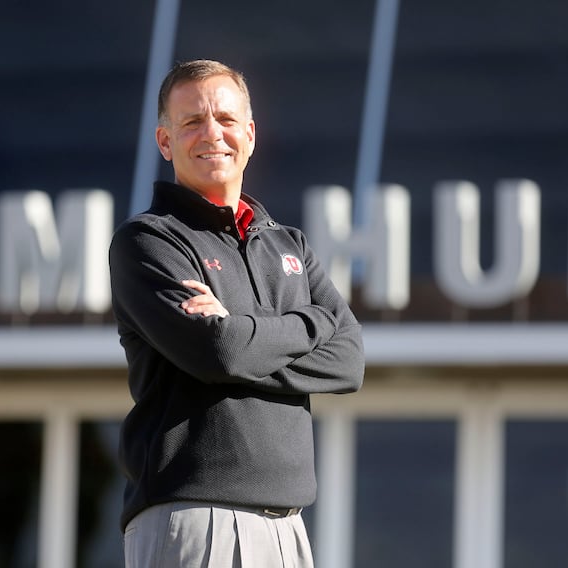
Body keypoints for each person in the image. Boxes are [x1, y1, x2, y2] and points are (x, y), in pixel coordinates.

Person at [109, 59, 364, 567]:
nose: (212, 134)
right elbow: (216, 352)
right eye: (192, 122)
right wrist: (312, 324)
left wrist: (243, 331)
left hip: (288, 527)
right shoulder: (149, 241)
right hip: (196, 516)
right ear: (165, 142)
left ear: (250, 134)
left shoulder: (289, 244)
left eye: (226, 120)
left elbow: (349, 360)